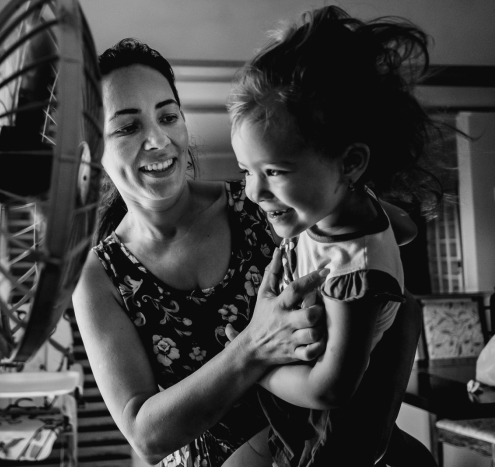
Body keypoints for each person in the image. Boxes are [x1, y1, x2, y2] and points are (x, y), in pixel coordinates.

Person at [72, 38, 420, 467]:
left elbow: (387, 262)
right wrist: (253, 346)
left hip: (329, 447)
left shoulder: (269, 202)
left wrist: (370, 439)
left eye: (167, 116)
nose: (159, 140)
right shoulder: (98, 275)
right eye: (128, 127)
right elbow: (145, 434)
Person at [224, 6, 448, 466]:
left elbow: (332, 388)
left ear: (350, 162)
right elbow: (400, 229)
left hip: (324, 444)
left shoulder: (354, 276)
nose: (254, 191)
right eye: (246, 170)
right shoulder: (349, 202)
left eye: (275, 172)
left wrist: (253, 365)